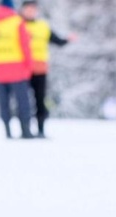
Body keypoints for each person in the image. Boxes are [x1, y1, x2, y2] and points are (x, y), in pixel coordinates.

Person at [19, 0, 76, 138]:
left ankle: (40, 130)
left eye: (33, 9)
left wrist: (67, 39)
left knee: (40, 100)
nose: (31, 11)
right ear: (23, 10)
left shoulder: (42, 26)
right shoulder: (17, 25)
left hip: (40, 69)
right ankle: (25, 130)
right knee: (23, 101)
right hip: (22, 69)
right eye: (28, 9)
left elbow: (57, 41)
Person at [0, 0, 34, 139]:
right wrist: (29, 65)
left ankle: (8, 131)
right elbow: (25, 46)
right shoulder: (17, 21)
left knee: (3, 102)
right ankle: (25, 131)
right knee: (22, 101)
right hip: (17, 67)